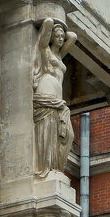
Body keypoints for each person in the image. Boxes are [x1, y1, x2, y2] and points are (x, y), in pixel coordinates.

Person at [32, 17, 77, 177]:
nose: (60, 38)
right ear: (51, 37)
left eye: (61, 37)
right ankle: (47, 168)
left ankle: (55, 167)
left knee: (68, 135)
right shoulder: (45, 51)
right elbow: (44, 33)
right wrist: (51, 22)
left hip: (59, 101)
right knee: (49, 131)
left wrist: (61, 30)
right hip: (47, 93)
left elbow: (72, 37)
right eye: (56, 36)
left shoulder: (59, 55)